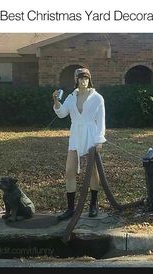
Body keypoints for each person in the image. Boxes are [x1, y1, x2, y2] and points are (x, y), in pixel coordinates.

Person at [52, 68, 106, 221]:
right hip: (75, 135)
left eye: (86, 78)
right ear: (76, 80)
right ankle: (70, 208)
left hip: (91, 134)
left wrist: (99, 140)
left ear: (89, 80)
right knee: (69, 170)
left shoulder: (97, 98)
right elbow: (62, 113)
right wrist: (56, 101)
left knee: (93, 172)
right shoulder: (71, 97)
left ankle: (93, 205)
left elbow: (101, 121)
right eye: (81, 78)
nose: (83, 81)